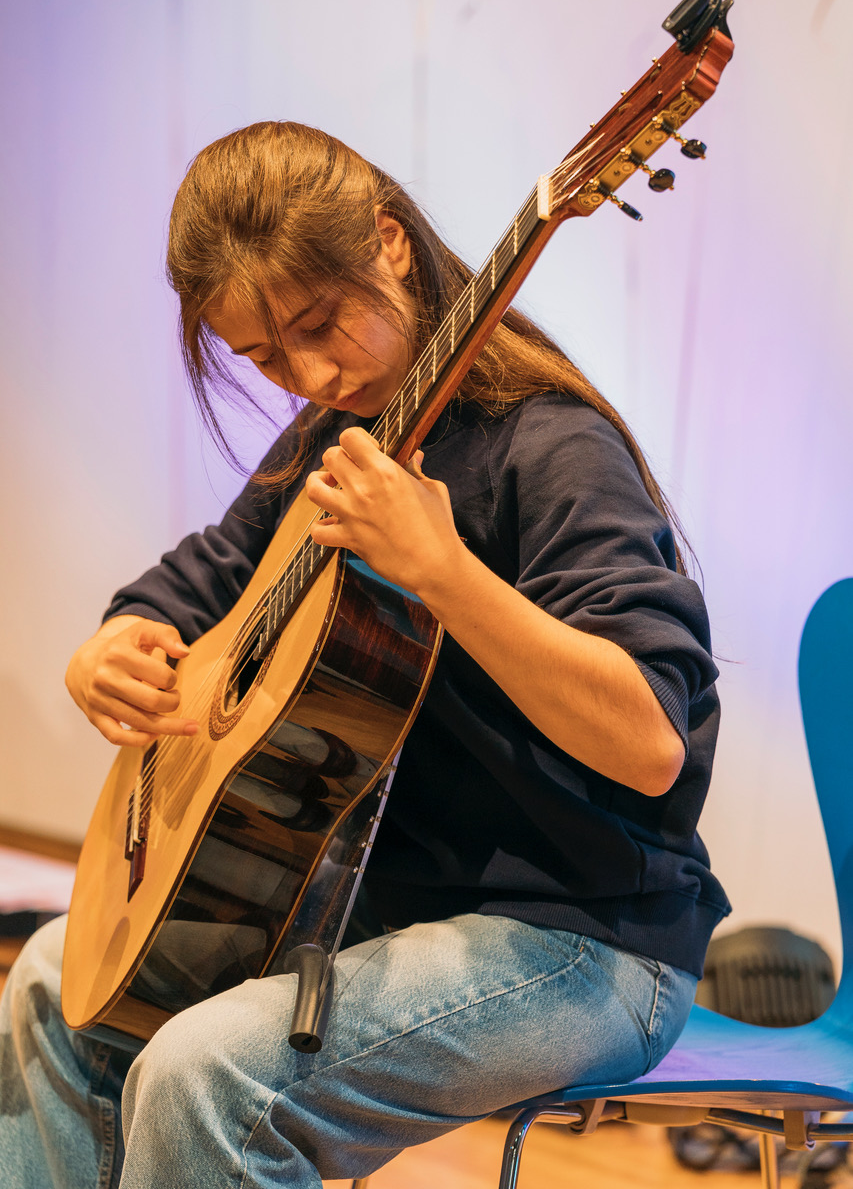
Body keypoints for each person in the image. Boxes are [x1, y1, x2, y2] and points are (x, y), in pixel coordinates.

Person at [0, 121, 729, 1188]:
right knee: (49, 980)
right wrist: (114, 642)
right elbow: (210, 575)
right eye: (263, 357)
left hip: (584, 939)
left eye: (316, 324)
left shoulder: (551, 443)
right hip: (376, 916)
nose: (308, 373)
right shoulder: (338, 437)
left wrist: (444, 571)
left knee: (207, 1074)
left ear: (389, 242)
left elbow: (651, 743)